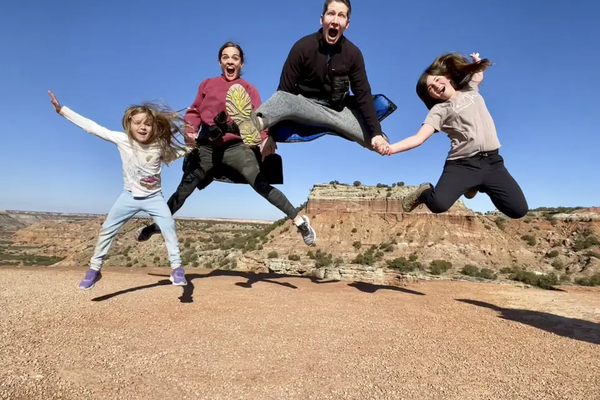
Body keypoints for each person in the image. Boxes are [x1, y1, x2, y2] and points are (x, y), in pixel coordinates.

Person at [135, 42, 316, 245]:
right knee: (184, 188)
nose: (230, 61)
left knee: (261, 184)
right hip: (207, 147)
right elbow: (194, 112)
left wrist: (265, 138)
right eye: (226, 57)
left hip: (236, 147)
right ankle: (158, 225)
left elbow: (259, 116)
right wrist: (190, 131)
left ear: (241, 63)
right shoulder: (207, 84)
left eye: (235, 58)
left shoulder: (249, 89)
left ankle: (300, 221)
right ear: (220, 61)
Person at [47, 90, 189, 290]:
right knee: (107, 230)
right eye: (138, 122)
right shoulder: (122, 140)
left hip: (154, 197)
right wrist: (63, 111)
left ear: (154, 127)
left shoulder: (159, 146)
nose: (143, 127)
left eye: (147, 124)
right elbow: (93, 128)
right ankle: (94, 269)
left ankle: (176, 269)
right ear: (129, 123)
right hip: (128, 197)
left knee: (168, 228)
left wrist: (196, 144)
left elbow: (178, 152)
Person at [230, 0, 390, 157]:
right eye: (331, 14)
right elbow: (284, 91)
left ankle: (382, 141)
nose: (335, 21)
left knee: (379, 142)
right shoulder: (302, 47)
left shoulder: (353, 54)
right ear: (322, 19)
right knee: (284, 98)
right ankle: (254, 124)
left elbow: (363, 95)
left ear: (347, 24)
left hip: (338, 112)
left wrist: (375, 133)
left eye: (341, 16)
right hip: (306, 107)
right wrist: (268, 135)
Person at [383, 52, 528, 219]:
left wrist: (477, 62)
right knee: (438, 204)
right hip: (462, 164)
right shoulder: (438, 111)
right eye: (430, 88)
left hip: (492, 163)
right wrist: (390, 148)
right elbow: (419, 138)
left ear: (447, 77)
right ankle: (425, 192)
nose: (436, 86)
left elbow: (478, 75)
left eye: (437, 80)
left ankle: (479, 185)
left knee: (518, 210)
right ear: (430, 96)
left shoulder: (469, 89)